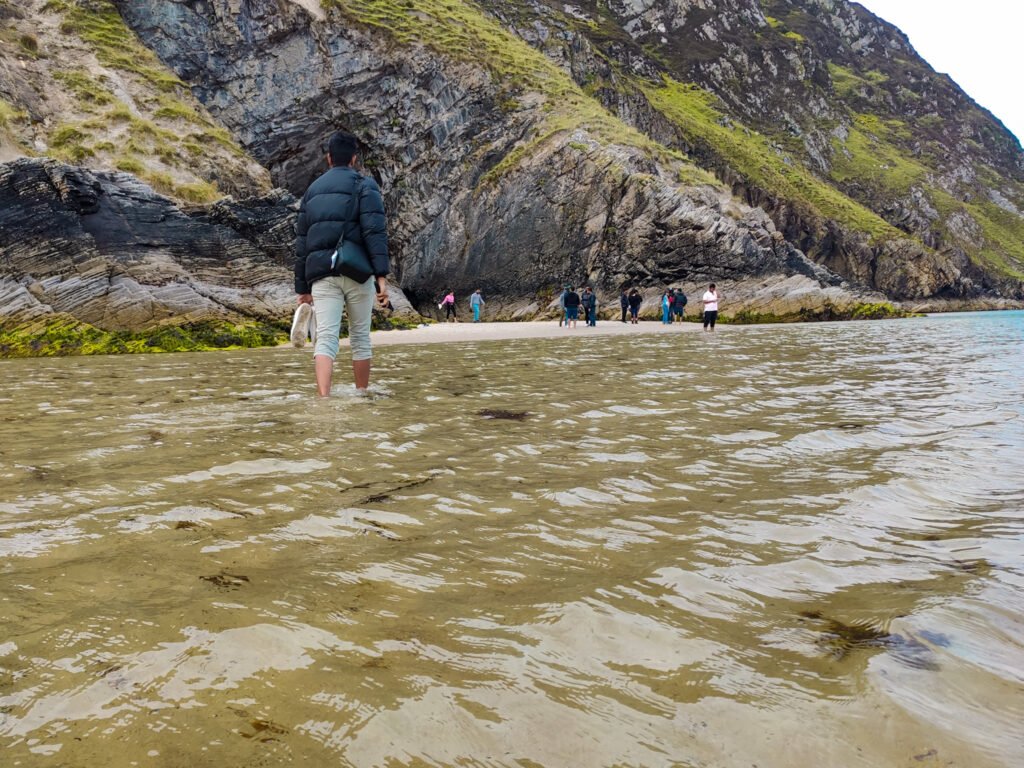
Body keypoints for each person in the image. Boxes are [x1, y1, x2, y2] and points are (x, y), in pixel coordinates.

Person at [295, 130, 389, 397]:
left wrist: (302, 288)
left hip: (323, 274)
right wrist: (381, 276)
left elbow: (302, 242)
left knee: (325, 337)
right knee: (360, 337)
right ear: (354, 159)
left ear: (328, 158)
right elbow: (375, 231)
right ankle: (361, 393)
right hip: (358, 272)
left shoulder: (312, 191)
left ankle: (324, 398)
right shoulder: (365, 185)